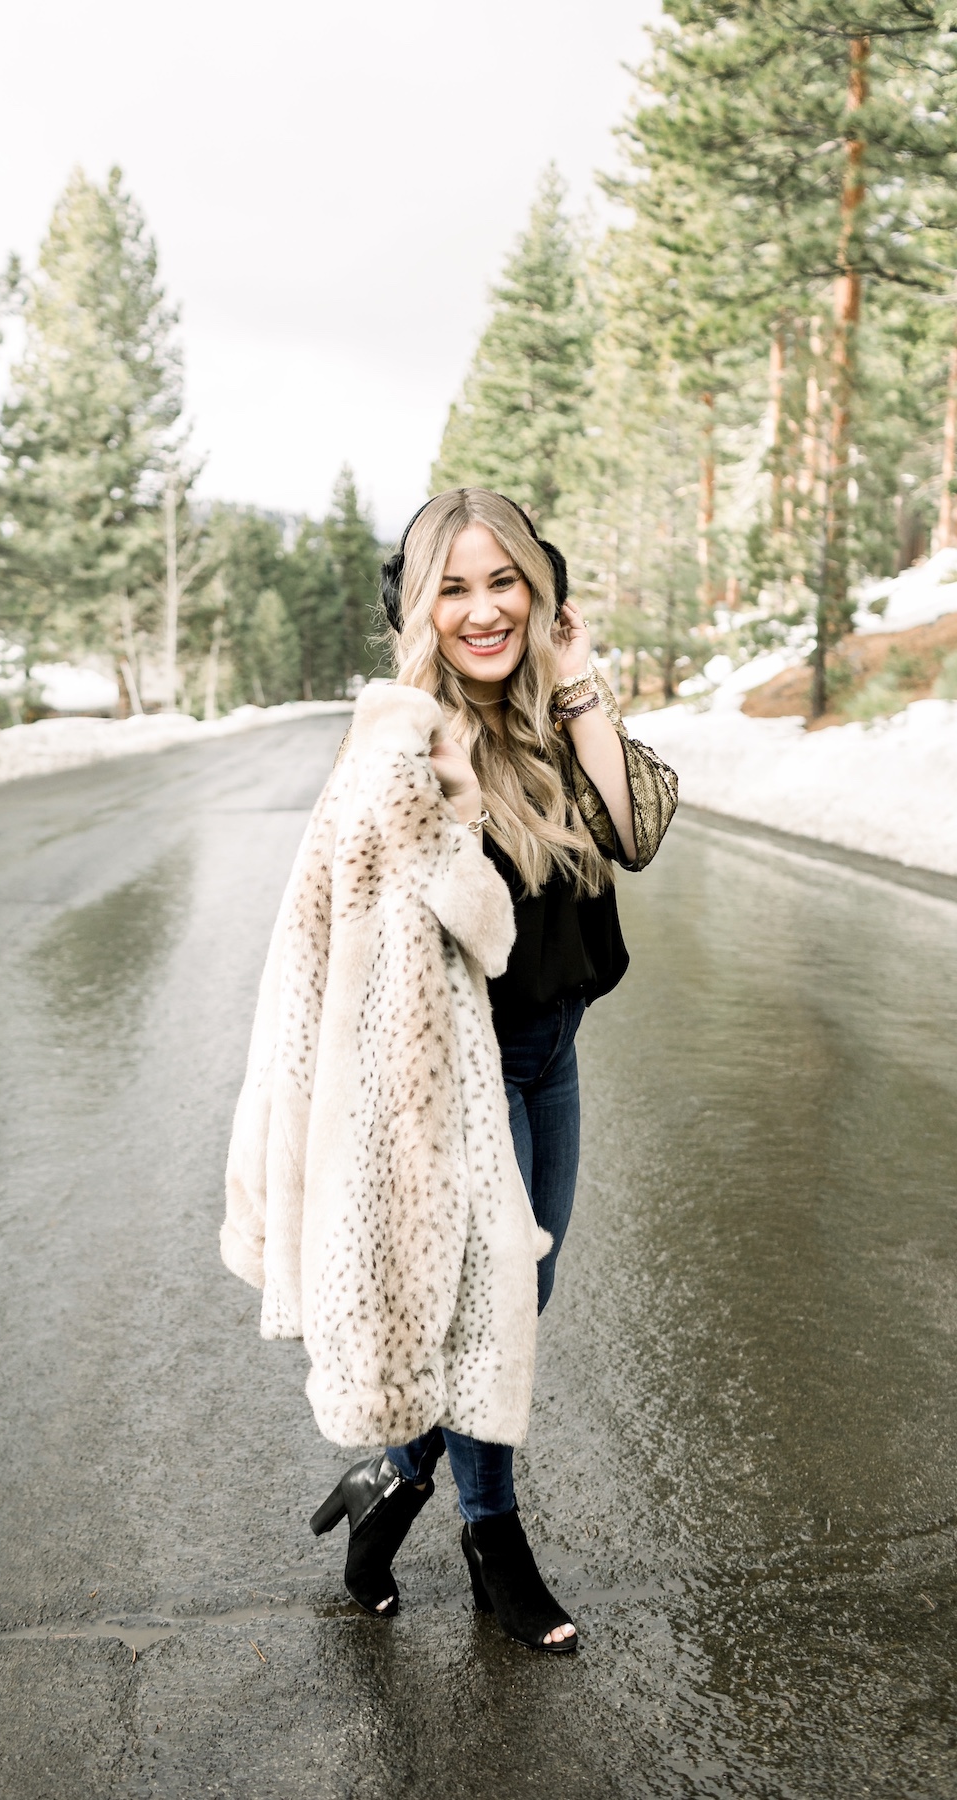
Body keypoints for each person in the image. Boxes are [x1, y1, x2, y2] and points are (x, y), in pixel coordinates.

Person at [223, 487, 676, 1654]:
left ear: (540, 587)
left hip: (553, 1054)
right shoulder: (403, 740)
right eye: (455, 587)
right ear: (417, 604)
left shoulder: (543, 719)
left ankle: (390, 1483)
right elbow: (359, 939)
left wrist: (578, 687)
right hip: (460, 1076)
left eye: (505, 581)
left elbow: (632, 831)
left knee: (515, 1299)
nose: (484, 610)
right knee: (497, 1309)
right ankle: (495, 1544)